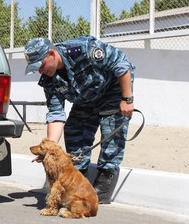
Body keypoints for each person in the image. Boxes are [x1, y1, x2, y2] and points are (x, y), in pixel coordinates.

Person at [24, 35, 135, 204]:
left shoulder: (84, 49)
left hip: (112, 89)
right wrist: (49, 148)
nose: (40, 70)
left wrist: (127, 99)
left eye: (41, 65)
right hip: (85, 99)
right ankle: (79, 179)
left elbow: (121, 65)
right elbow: (56, 114)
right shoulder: (49, 80)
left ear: (51, 54)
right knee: (75, 129)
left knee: (111, 131)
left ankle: (106, 179)